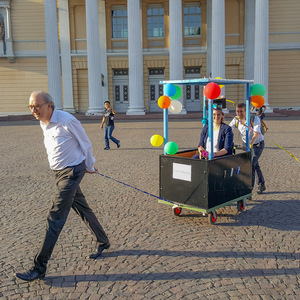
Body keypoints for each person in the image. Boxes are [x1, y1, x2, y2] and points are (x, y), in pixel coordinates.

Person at [16, 91, 110, 282]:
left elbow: (85, 143)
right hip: (59, 174)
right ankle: (103, 241)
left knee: (55, 218)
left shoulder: (67, 120)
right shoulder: (43, 121)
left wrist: (89, 166)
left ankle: (38, 267)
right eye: (30, 107)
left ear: (49, 105)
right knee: (82, 208)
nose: (33, 110)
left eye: (37, 106)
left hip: (71, 173)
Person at [229, 102, 266, 194]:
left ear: (246, 112)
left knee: (251, 165)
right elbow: (228, 129)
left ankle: (249, 190)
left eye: (241, 111)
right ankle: (262, 184)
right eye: (237, 111)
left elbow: (256, 133)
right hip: (245, 143)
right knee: (255, 164)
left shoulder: (255, 119)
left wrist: (251, 145)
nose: (239, 114)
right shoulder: (236, 119)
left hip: (257, 144)